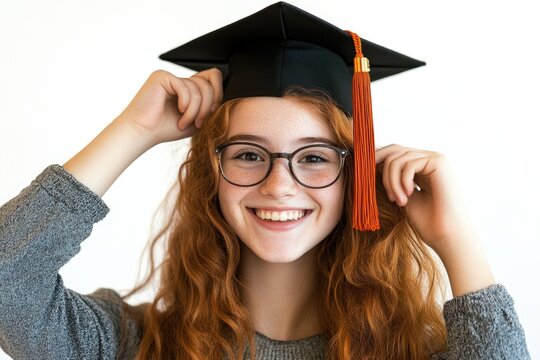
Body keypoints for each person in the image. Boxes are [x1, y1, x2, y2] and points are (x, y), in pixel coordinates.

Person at [0, 2, 530, 359]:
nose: (279, 185)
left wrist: (455, 239)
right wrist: (132, 130)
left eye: (315, 158)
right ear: (212, 172)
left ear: (356, 178)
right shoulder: (135, 345)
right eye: (250, 155)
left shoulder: (412, 353)